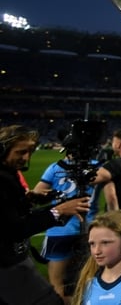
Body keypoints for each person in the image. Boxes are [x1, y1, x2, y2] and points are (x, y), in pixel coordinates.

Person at [0, 124, 91, 305]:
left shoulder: (9, 174)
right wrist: (60, 210)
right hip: (6, 265)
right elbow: (16, 228)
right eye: (20, 152)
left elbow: (13, 214)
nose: (26, 158)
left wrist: (29, 200)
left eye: (29, 152)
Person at [34, 152, 102, 303]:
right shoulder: (97, 167)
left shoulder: (55, 168)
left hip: (58, 231)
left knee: (57, 282)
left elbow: (37, 194)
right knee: (87, 280)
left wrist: (57, 195)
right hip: (87, 231)